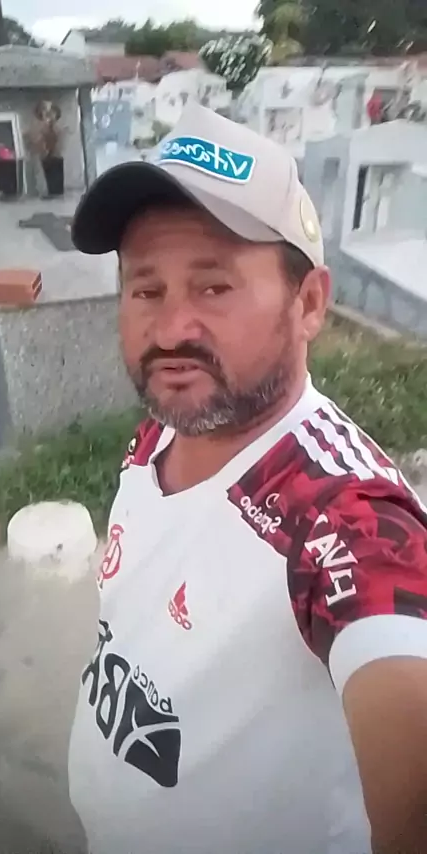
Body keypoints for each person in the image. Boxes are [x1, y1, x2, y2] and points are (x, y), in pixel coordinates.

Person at [68, 103, 427, 854]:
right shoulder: (167, 425)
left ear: (310, 303)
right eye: (146, 289)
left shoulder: (340, 511)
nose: (171, 330)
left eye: (214, 287)